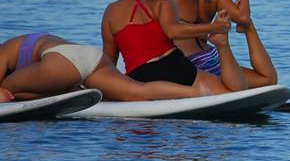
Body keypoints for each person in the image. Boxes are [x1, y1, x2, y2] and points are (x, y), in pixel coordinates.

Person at [101, 0, 249, 95]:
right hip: (174, 66)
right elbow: (173, 31)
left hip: (139, 76)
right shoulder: (163, 3)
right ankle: (220, 50)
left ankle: (187, 94)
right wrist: (214, 27)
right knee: (232, 91)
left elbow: (109, 62)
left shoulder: (111, 12)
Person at [1, 33, 199, 102]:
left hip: (62, 62)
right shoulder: (14, 45)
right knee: (137, 92)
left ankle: (70, 91)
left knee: (7, 89)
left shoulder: (3, 51)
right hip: (90, 56)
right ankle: (195, 93)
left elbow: (5, 95)